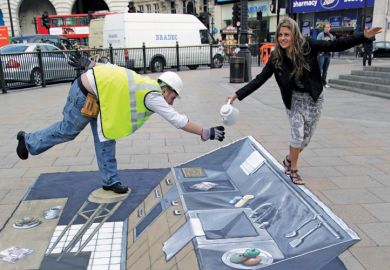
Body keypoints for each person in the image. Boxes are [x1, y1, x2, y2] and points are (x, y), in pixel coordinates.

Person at [16, 55, 225, 194]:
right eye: (173, 97)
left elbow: (115, 70)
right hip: (84, 94)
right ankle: (28, 141)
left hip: (100, 99)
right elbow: (177, 120)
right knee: (68, 131)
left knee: (106, 137)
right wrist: (205, 132)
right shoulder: (153, 95)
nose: (170, 102)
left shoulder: (145, 82)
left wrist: (91, 65)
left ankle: (110, 181)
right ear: (167, 90)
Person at [225, 18, 381, 185]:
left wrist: (363, 36)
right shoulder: (276, 57)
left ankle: (288, 160)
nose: (283, 38)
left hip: (314, 99)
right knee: (297, 136)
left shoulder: (308, 46)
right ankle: (293, 170)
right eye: (280, 35)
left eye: (287, 34)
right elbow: (260, 79)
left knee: (304, 140)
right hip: (294, 100)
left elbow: (335, 45)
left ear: (294, 35)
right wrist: (237, 94)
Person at [317, 23, 335, 88]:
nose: (328, 28)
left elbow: (332, 45)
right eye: (326, 27)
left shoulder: (331, 36)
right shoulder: (320, 35)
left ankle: (324, 83)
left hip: (328, 55)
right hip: (321, 55)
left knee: (325, 70)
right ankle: (318, 83)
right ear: (324, 28)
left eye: (329, 27)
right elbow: (317, 44)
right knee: (320, 70)